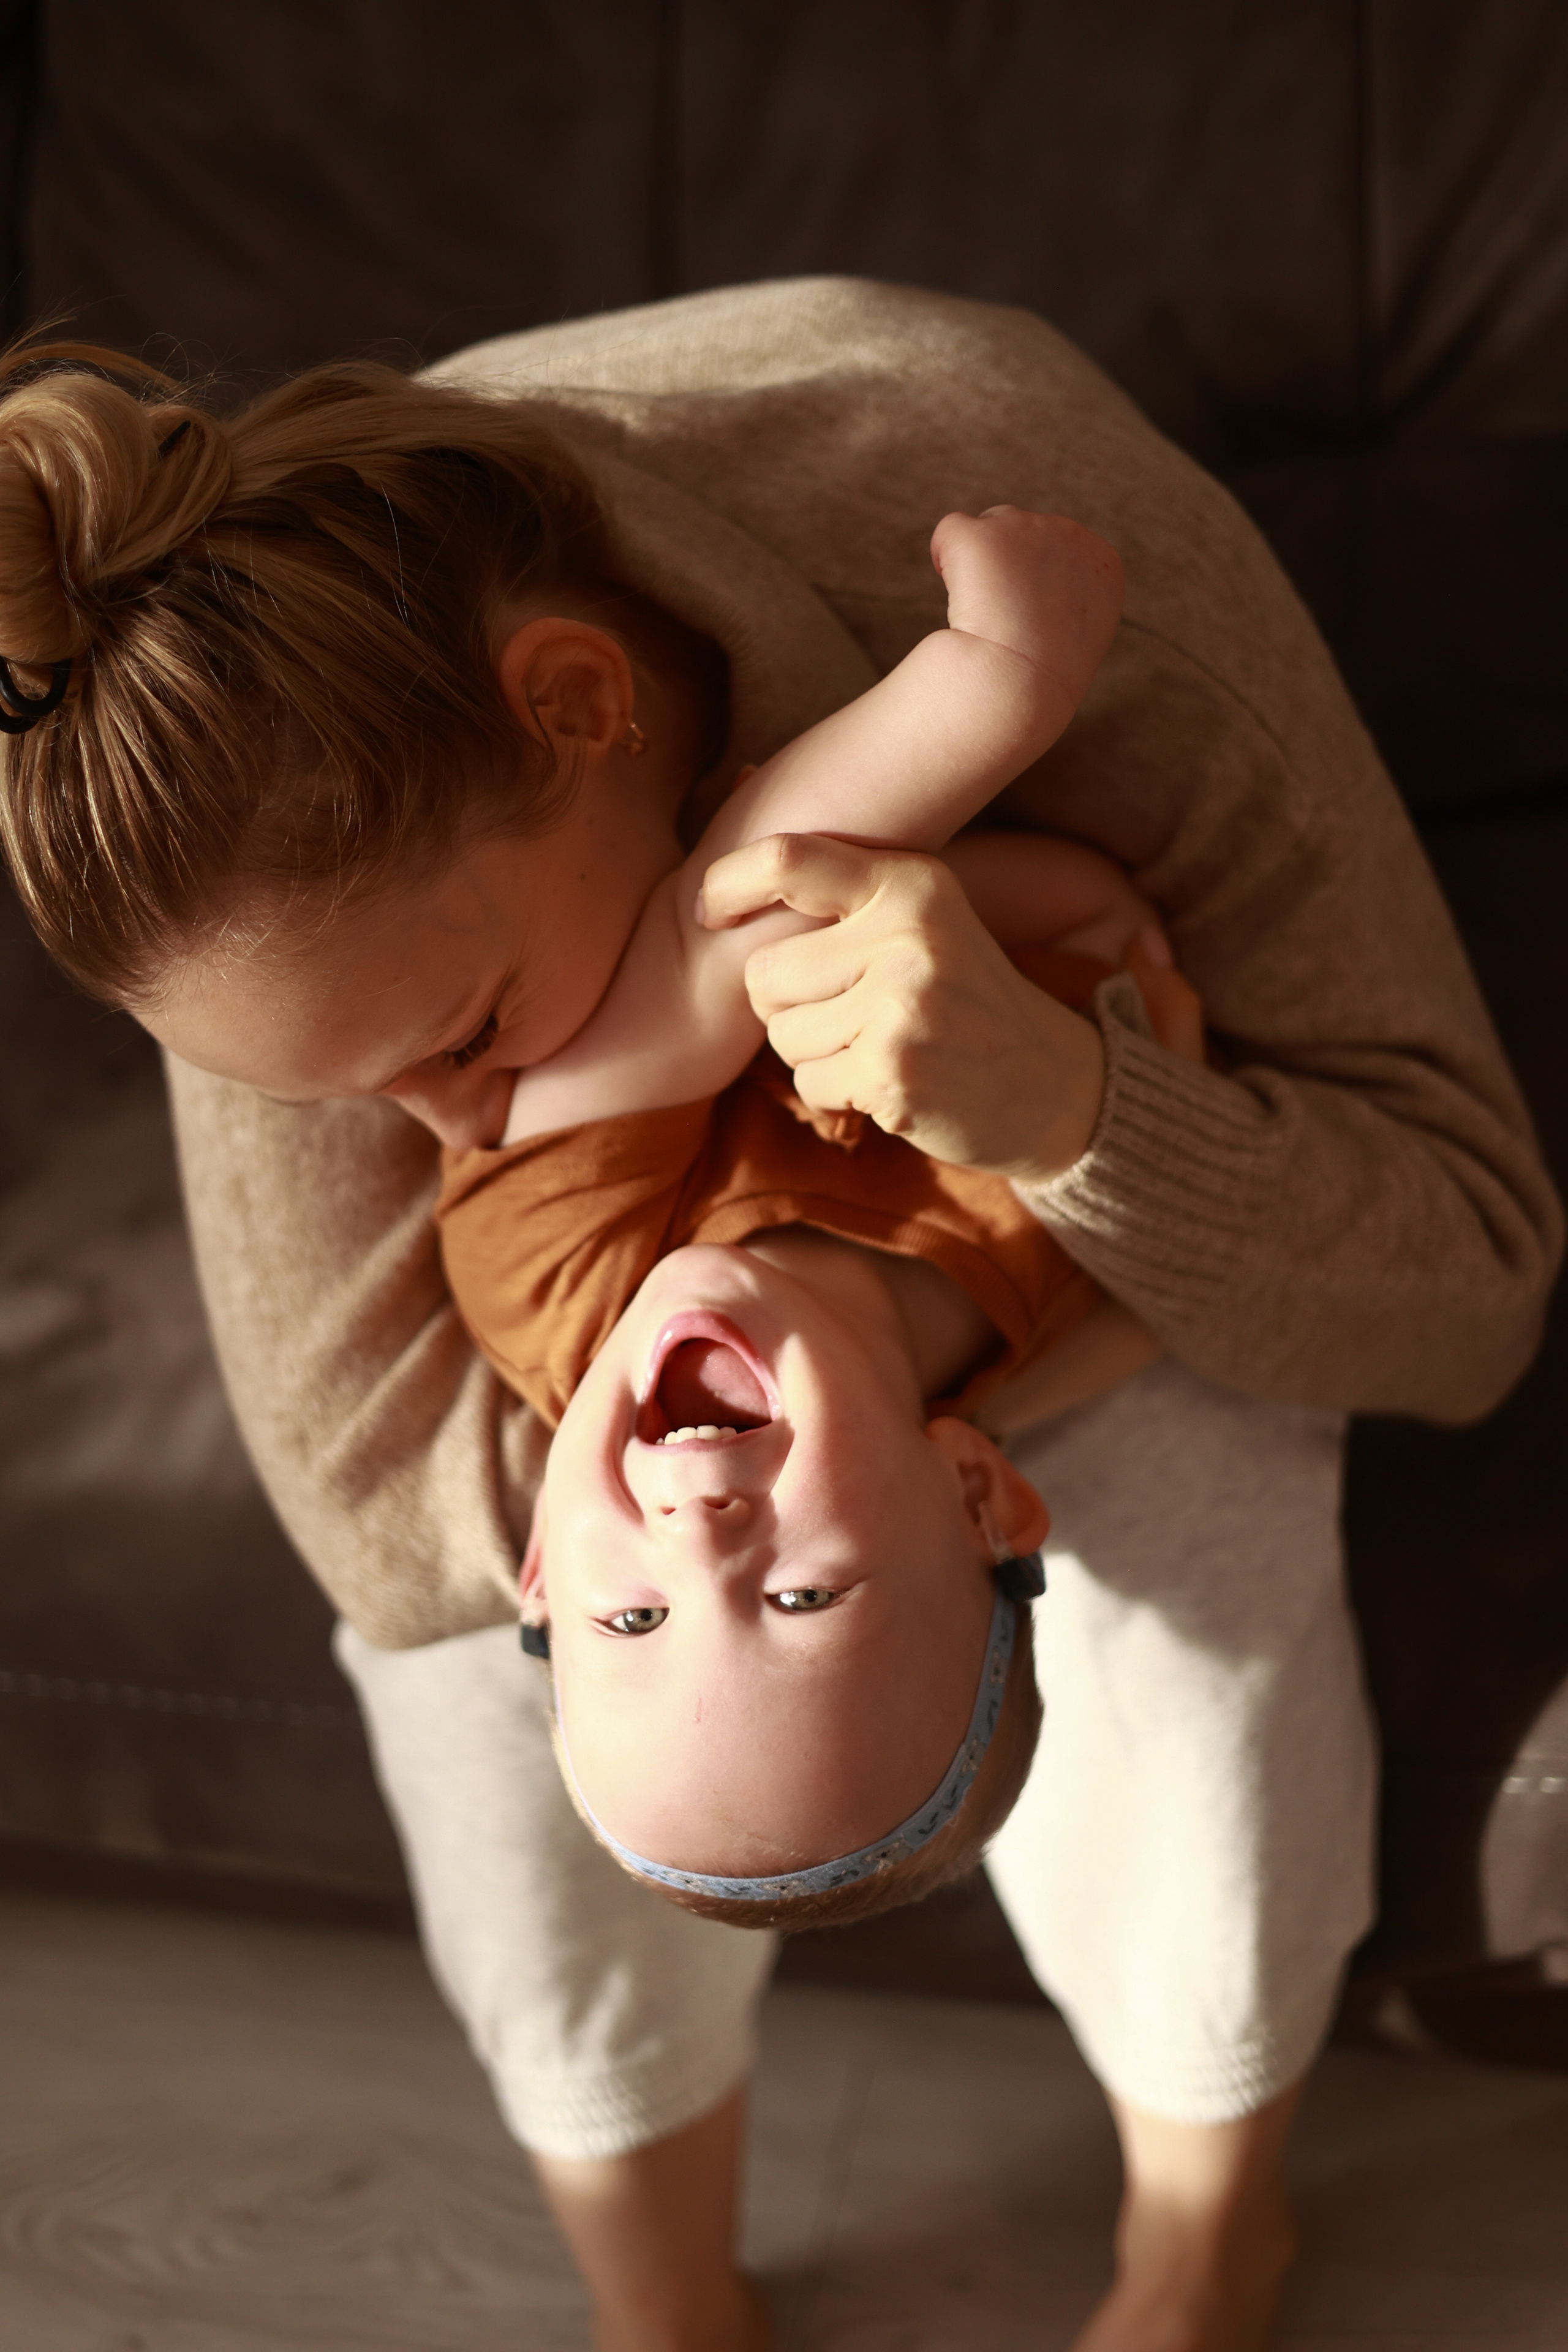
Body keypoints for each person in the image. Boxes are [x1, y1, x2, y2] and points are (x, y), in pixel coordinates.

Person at [0, 281, 1558, 2352]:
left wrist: (1068, 1102)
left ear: (578, 705)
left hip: (947, 1094)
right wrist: (1042, 1284)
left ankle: (1207, 2218)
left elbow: (1460, 1291)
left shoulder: (528, 1153)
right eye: (350, 1094)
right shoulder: (215, 798)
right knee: (490, 1688)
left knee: (1207, 1565)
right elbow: (377, 1522)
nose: (445, 1131)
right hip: (946, 1341)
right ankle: (660, 2281)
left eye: (463, 1038)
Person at [435, 499, 1198, 1915]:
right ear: (977, 1491)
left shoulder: (547, 1274)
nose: (705, 1525)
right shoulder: (1065, 1239)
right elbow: (1108, 927)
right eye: (800, 1599)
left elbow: (722, 920)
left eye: (631, 1616)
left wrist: (989, 686)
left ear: (538, 1566)